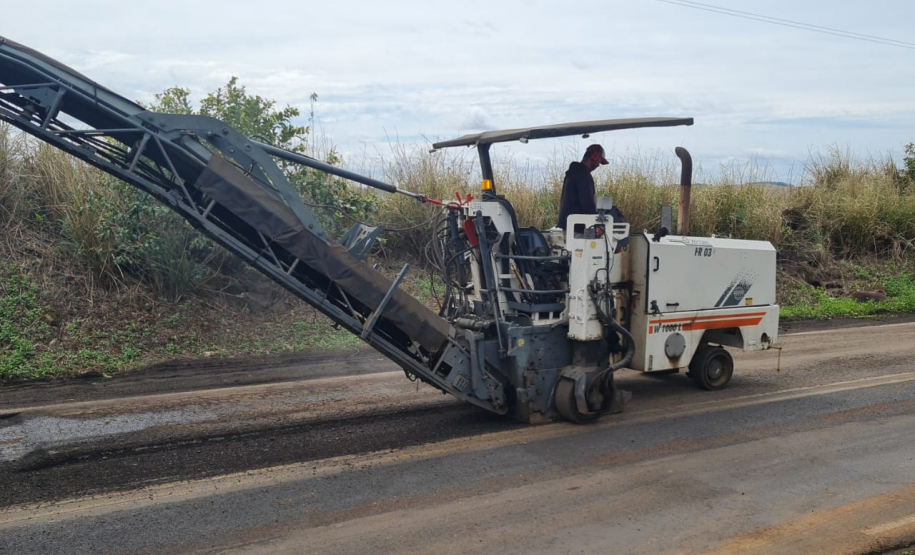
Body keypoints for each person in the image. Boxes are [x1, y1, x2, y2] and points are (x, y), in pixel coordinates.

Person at [556, 144, 608, 231]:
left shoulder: (572, 173)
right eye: (599, 161)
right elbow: (587, 204)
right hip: (578, 228)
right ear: (594, 157)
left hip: (568, 226)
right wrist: (596, 224)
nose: (599, 165)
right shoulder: (583, 176)